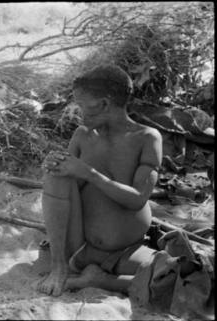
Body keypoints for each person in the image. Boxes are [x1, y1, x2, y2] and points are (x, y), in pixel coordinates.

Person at [37, 64, 164, 296]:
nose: (79, 113)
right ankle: (59, 267)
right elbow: (66, 189)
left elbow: (137, 200)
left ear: (104, 104)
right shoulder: (83, 136)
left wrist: (87, 172)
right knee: (55, 176)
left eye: (83, 105)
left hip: (127, 252)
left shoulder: (146, 138)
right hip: (82, 250)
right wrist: (57, 164)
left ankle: (99, 280)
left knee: (170, 276)